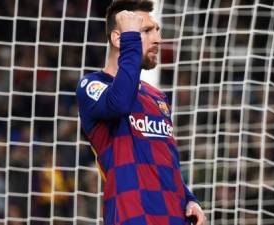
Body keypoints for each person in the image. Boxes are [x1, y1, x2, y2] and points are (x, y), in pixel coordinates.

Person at [76, 0, 205, 224]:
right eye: (146, 31)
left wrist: (189, 199)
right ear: (119, 38)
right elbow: (120, 103)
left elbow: (166, 159)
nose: (158, 39)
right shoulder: (93, 85)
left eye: (157, 30)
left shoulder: (157, 96)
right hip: (132, 216)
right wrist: (131, 40)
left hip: (173, 216)